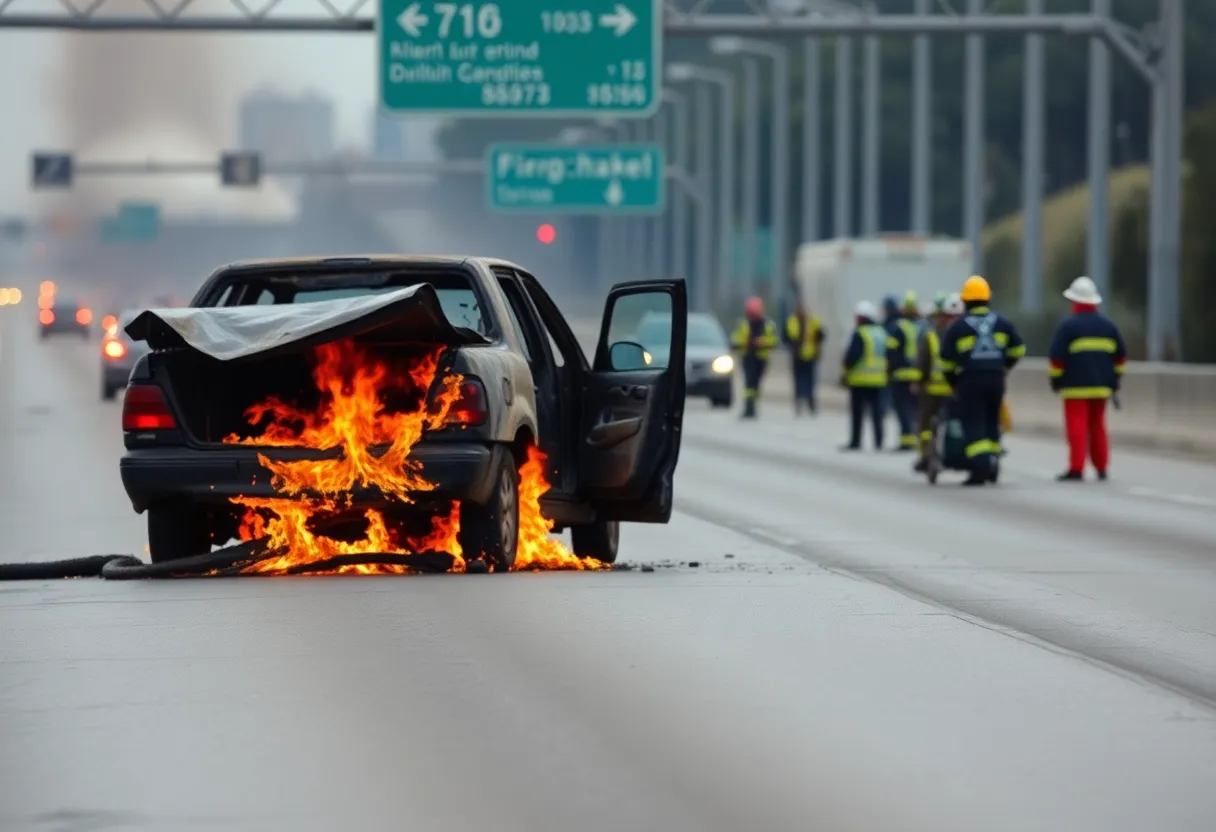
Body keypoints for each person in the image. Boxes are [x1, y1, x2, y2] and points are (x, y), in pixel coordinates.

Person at [938, 275, 1026, 486]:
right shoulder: (1002, 322)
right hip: (996, 379)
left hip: (970, 381)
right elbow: (1019, 349)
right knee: (991, 423)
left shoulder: (958, 327)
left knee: (974, 424)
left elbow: (946, 362)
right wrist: (1004, 366)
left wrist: (953, 382)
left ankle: (979, 470)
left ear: (965, 301)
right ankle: (992, 464)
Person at [1047, 276, 1128, 481]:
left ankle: (1077, 468)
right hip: (1101, 387)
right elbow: (1121, 357)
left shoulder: (1068, 326)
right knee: (1098, 425)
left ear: (1074, 302)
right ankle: (1101, 468)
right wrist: (1115, 378)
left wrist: (1056, 380)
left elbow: (1056, 359)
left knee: (1077, 426)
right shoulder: (1109, 327)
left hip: (1075, 388)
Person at [912, 293, 964, 473]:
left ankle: (927, 456)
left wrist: (918, 382)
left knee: (925, 424)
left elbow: (923, 362)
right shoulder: (962, 334)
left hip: (933, 390)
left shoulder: (930, 336)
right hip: (954, 389)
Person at [840, 300, 888, 451]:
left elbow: (852, 356)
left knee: (858, 413)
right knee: (877, 413)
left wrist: (845, 372)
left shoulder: (860, 333)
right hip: (879, 379)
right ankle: (879, 441)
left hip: (860, 379)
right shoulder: (881, 333)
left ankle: (856, 441)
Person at [882, 294, 922, 451]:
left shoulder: (897, 328)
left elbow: (891, 351)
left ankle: (906, 441)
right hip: (918, 375)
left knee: (902, 409)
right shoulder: (923, 327)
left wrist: (889, 370)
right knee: (915, 410)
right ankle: (916, 439)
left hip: (901, 375)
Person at [730, 296, 779, 419]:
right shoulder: (743, 324)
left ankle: (752, 407)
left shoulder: (768, 325)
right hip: (748, 357)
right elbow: (735, 339)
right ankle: (749, 406)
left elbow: (774, 341)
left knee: (756, 383)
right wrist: (743, 342)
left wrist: (762, 342)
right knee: (749, 383)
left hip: (761, 358)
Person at [784, 299, 825, 415]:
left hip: (810, 356)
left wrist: (817, 343)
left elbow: (822, 335)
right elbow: (785, 336)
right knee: (798, 381)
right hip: (797, 356)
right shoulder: (791, 321)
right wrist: (792, 345)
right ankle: (799, 402)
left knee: (811, 381)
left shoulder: (813, 321)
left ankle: (810, 402)